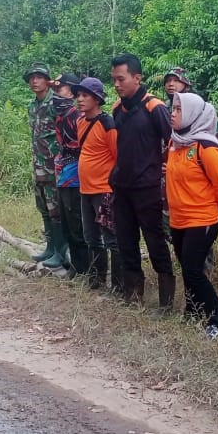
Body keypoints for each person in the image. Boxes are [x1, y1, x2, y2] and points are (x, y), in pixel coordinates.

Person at [109, 53, 175, 310]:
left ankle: (166, 301)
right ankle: (132, 293)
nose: (116, 84)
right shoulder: (116, 109)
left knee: (155, 240)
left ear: (137, 78)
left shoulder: (154, 107)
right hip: (122, 188)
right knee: (126, 241)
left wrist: (161, 172)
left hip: (147, 189)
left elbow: (172, 143)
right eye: (114, 79)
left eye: (121, 79)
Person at [167, 92, 218, 338]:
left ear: (194, 114)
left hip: (202, 219)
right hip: (179, 218)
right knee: (186, 267)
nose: (172, 113)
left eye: (178, 110)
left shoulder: (206, 146)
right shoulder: (175, 142)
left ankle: (217, 320)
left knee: (194, 270)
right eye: (172, 108)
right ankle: (192, 311)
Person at [72, 78, 120, 291]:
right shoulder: (80, 122)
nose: (80, 99)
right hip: (85, 189)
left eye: (85, 95)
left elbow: (118, 156)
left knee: (111, 239)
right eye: (78, 95)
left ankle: (118, 285)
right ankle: (96, 280)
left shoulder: (107, 124)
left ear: (97, 99)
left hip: (104, 191)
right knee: (91, 237)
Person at [26, 63, 69, 269]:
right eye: (31, 78)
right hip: (39, 165)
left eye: (39, 77)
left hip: (55, 166)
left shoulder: (56, 103)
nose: (35, 81)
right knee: (43, 207)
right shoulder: (32, 106)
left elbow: (70, 108)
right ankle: (50, 248)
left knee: (56, 210)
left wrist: (56, 86)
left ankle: (61, 254)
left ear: (47, 80)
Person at [51, 73, 90, 277]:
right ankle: (76, 265)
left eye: (61, 89)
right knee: (66, 223)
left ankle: (85, 269)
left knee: (78, 224)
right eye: (55, 90)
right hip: (63, 174)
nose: (56, 94)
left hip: (77, 176)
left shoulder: (79, 117)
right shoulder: (60, 117)